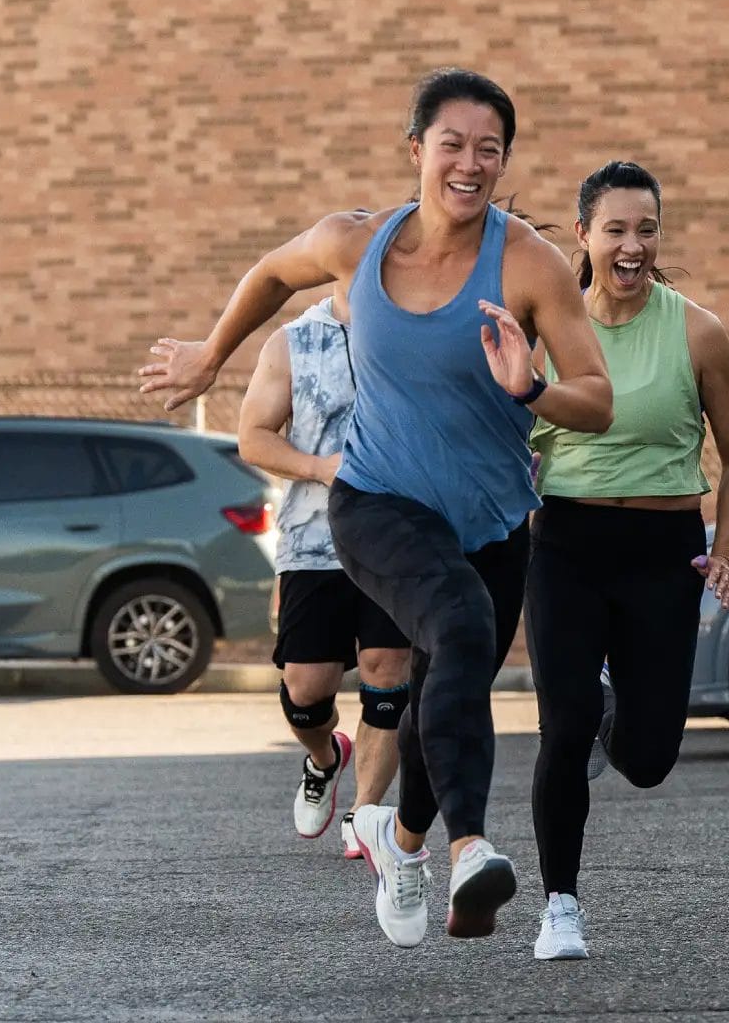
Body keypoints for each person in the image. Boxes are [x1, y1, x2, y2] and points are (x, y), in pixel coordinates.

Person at [138, 68, 614, 948]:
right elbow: (273, 275)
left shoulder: (528, 263)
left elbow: (598, 398)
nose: (470, 164)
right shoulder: (356, 243)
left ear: (503, 161)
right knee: (464, 630)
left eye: (489, 150)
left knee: (448, 685)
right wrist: (210, 354)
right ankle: (470, 850)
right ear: (417, 151)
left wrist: (532, 386)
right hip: (376, 501)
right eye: (453, 145)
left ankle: (401, 843)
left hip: (494, 523)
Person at [523, 161, 729, 961]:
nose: (632, 246)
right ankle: (560, 906)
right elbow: (502, 441)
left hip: (664, 552)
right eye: (615, 229)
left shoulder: (697, 331)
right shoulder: (547, 333)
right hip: (566, 546)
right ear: (582, 234)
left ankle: (612, 711)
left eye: (646, 229)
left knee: (650, 760)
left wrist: (723, 552)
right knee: (562, 728)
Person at [236, 288, 411, 858]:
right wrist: (318, 467)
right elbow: (253, 435)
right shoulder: (292, 342)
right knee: (305, 692)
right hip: (314, 543)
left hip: (397, 538)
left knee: (386, 673)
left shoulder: (416, 332)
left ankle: (365, 815)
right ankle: (323, 757)